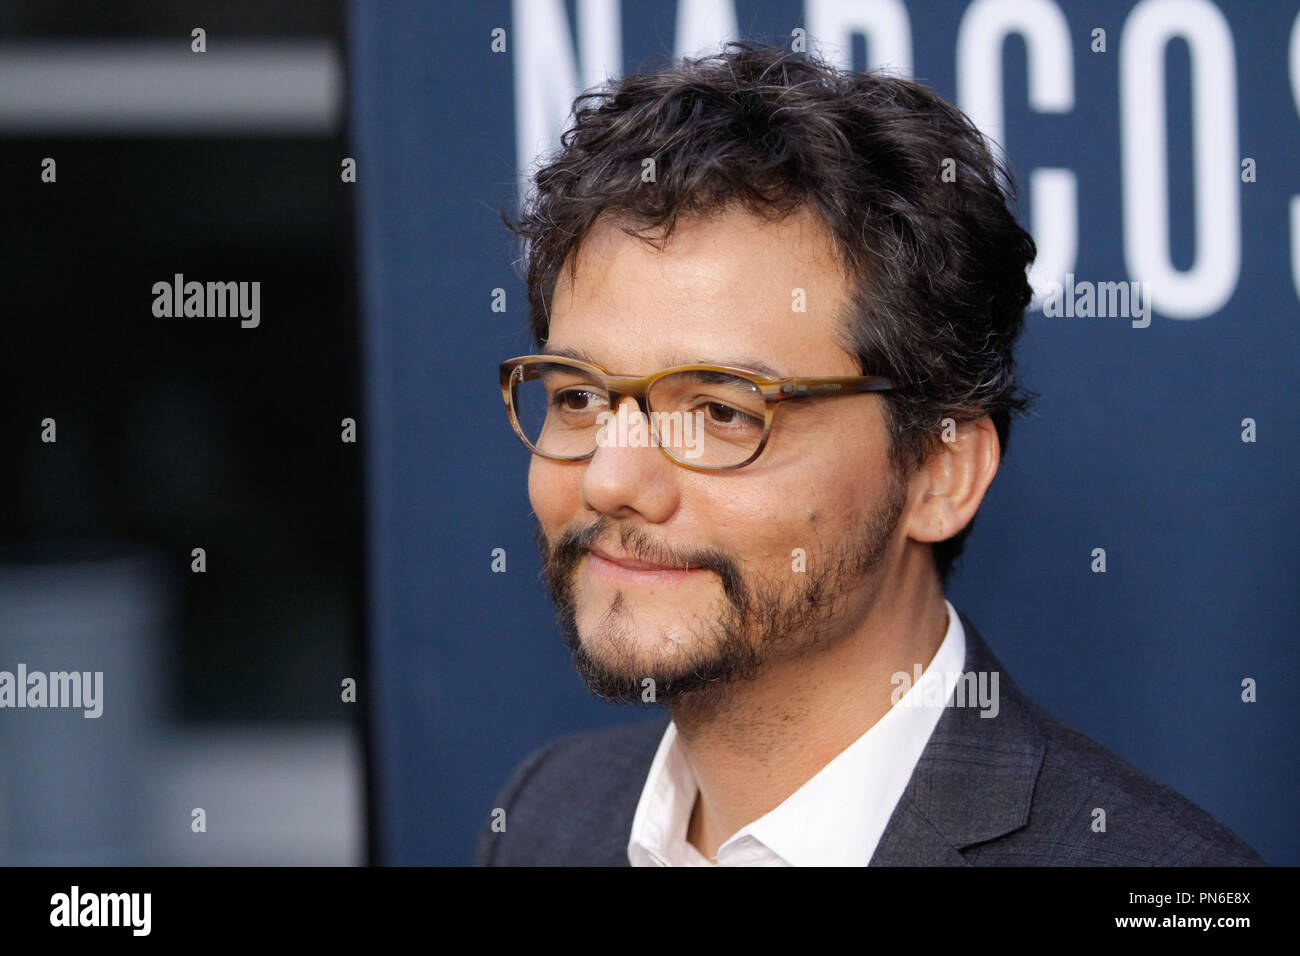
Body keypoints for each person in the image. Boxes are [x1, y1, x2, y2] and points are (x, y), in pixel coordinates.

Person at [475, 41, 1264, 866]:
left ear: (940, 470)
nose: (610, 478)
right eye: (578, 398)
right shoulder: (545, 818)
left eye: (719, 411)